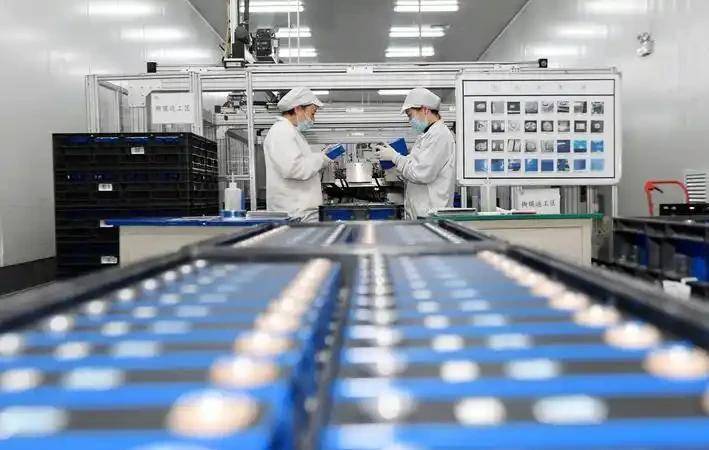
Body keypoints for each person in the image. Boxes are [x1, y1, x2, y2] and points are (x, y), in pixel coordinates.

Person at [374, 87, 456, 219]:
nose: (410, 120)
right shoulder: (425, 136)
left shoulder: (440, 136)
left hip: (431, 215)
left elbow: (421, 173)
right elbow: (413, 167)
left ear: (425, 110)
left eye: (410, 115)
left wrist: (395, 157)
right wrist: (393, 159)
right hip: (421, 215)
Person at [263, 87, 342, 222]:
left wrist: (322, 156)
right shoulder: (282, 131)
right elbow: (294, 169)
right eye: (312, 113)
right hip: (294, 215)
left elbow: (299, 164)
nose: (313, 119)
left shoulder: (291, 132)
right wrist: (322, 158)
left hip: (299, 214)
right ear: (298, 109)